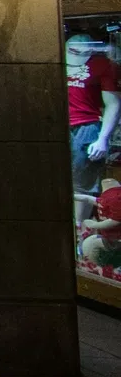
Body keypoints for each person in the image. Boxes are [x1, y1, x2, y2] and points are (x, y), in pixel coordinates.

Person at [68, 30, 121, 195]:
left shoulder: (101, 65)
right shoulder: (55, 60)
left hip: (86, 127)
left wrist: (103, 139)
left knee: (82, 183)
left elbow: (113, 103)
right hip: (55, 123)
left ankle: (81, 221)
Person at [81, 180, 121, 270]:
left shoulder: (115, 198)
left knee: (89, 244)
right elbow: (96, 200)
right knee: (89, 244)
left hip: (115, 240)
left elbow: (116, 219)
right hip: (111, 239)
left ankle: (105, 268)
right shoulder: (108, 197)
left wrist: (96, 225)